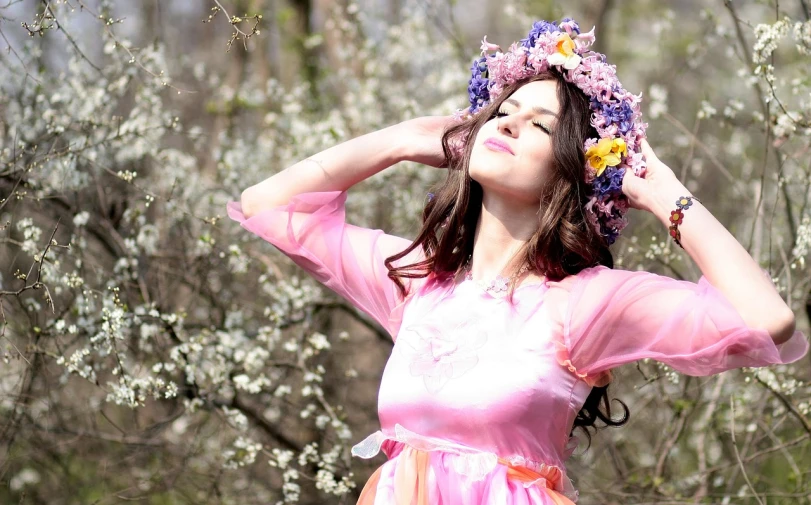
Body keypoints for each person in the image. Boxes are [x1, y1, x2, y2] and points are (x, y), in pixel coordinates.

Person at [227, 18, 809, 505]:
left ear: (570, 170)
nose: (506, 120)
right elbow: (267, 205)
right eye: (505, 108)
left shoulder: (584, 304)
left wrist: (665, 196)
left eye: (540, 125)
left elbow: (766, 322)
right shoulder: (418, 282)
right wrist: (401, 140)